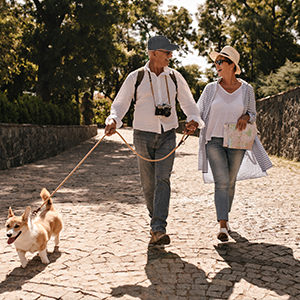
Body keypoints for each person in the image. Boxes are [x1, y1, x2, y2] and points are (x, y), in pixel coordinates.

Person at [105, 35, 204, 246]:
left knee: (162, 180)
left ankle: (159, 227)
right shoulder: (136, 77)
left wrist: (193, 121)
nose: (170, 56)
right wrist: (113, 120)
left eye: (170, 52)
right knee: (148, 184)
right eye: (166, 52)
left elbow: (189, 103)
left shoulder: (175, 77)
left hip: (168, 133)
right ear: (153, 54)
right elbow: (120, 104)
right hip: (142, 134)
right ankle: (155, 222)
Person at [196, 46, 272, 242]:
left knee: (230, 182)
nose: (217, 65)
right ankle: (222, 225)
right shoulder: (210, 88)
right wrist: (191, 123)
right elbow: (198, 111)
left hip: (237, 140)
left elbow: (253, 114)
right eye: (216, 62)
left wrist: (246, 116)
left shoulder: (247, 89)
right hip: (213, 139)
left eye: (220, 62)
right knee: (221, 182)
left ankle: (225, 216)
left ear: (232, 65)